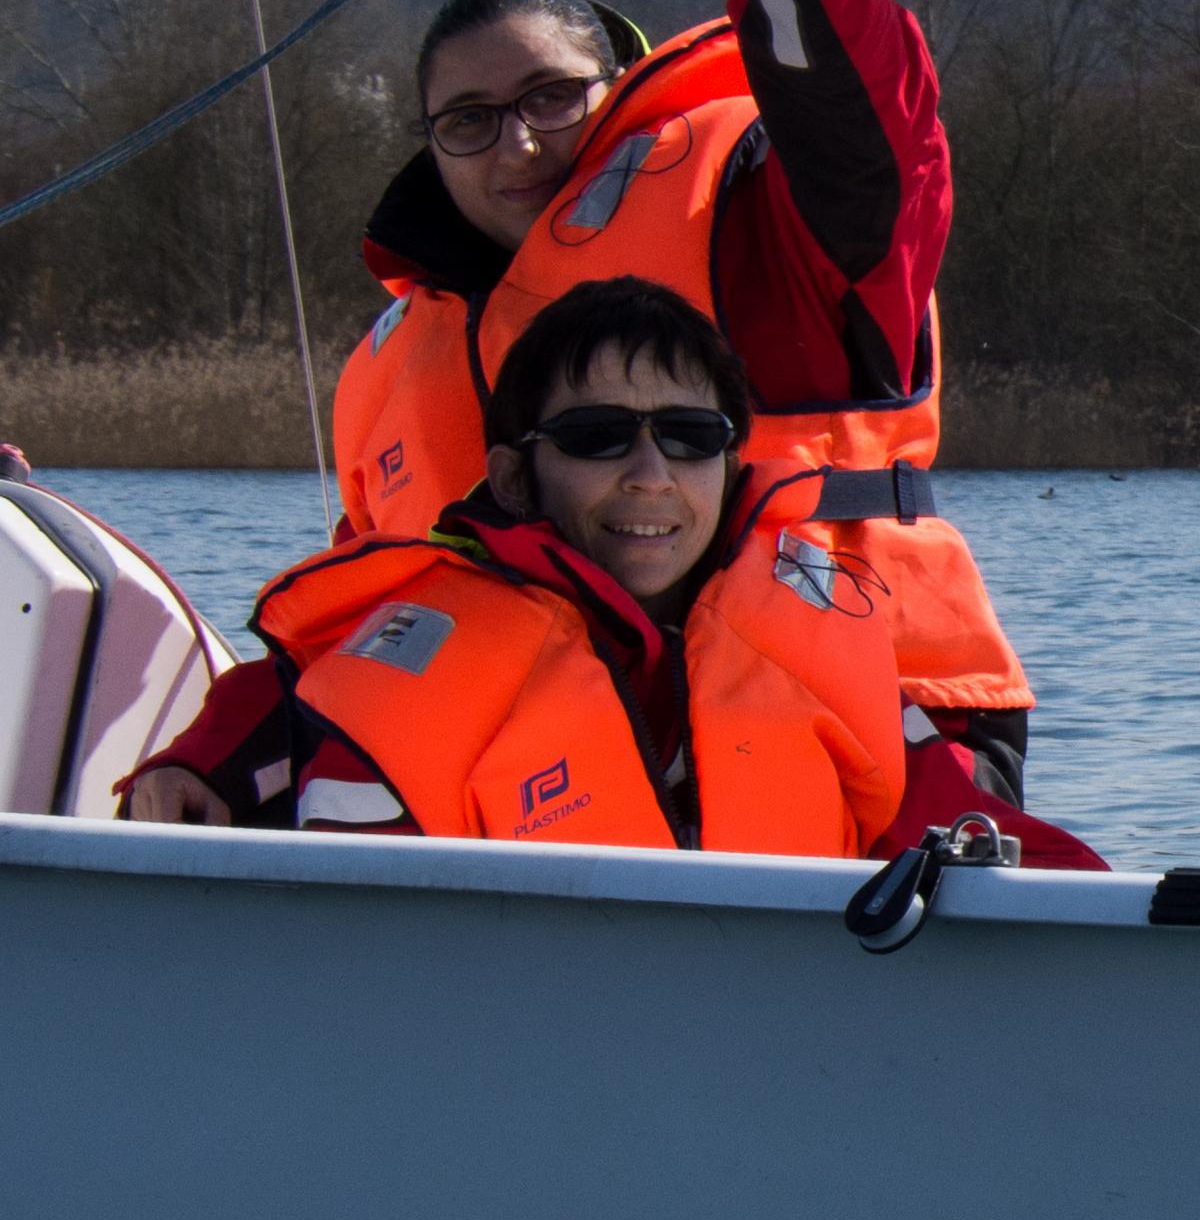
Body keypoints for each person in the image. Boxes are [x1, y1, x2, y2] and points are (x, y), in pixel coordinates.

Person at [118, 0, 1031, 828]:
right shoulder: (394, 362)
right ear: (429, 144)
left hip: (872, 726)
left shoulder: (760, 224)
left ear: (620, 87)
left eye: (552, 98)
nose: (517, 145)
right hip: (548, 783)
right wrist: (214, 758)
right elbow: (368, 624)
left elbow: (874, 151)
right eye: (469, 119)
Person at [256, 280, 1104, 868]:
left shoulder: (828, 655)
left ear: (732, 468)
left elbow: (993, 847)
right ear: (513, 478)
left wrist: (1138, 933)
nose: (651, 475)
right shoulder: (398, 698)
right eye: (597, 436)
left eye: (691, 437)